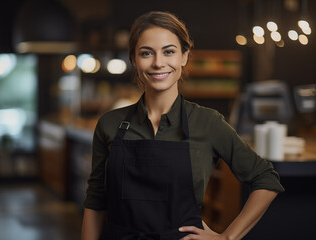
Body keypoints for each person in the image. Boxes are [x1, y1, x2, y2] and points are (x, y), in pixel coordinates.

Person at [81, 11, 284, 240]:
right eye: (146, 53)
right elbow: (96, 201)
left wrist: (227, 237)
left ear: (184, 57)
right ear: (134, 60)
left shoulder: (207, 123)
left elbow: (265, 178)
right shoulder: (109, 124)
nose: (158, 63)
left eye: (169, 52)